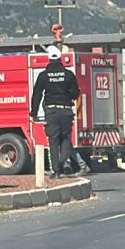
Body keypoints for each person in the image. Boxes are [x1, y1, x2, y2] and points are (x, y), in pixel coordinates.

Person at [31, 45, 79, 178]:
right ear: (60, 58)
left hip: (51, 112)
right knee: (66, 139)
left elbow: (37, 95)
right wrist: (68, 96)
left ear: (49, 59)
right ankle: (62, 162)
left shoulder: (43, 75)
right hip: (66, 111)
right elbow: (76, 93)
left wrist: (34, 113)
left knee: (53, 141)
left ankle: (56, 171)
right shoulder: (68, 74)